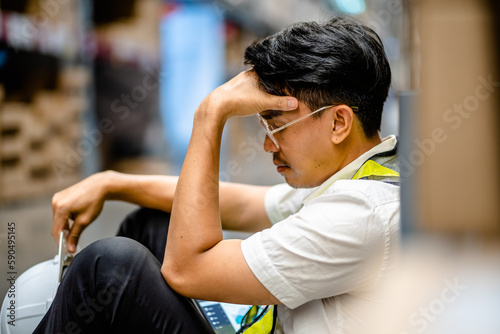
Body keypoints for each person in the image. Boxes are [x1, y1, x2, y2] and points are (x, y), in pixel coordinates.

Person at [34, 16, 399, 334]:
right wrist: (112, 182)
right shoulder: (355, 177)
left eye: (278, 127)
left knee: (110, 268)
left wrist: (211, 113)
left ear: (338, 123)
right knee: (156, 224)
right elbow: (239, 205)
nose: (269, 146)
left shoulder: (360, 213)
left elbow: (187, 270)